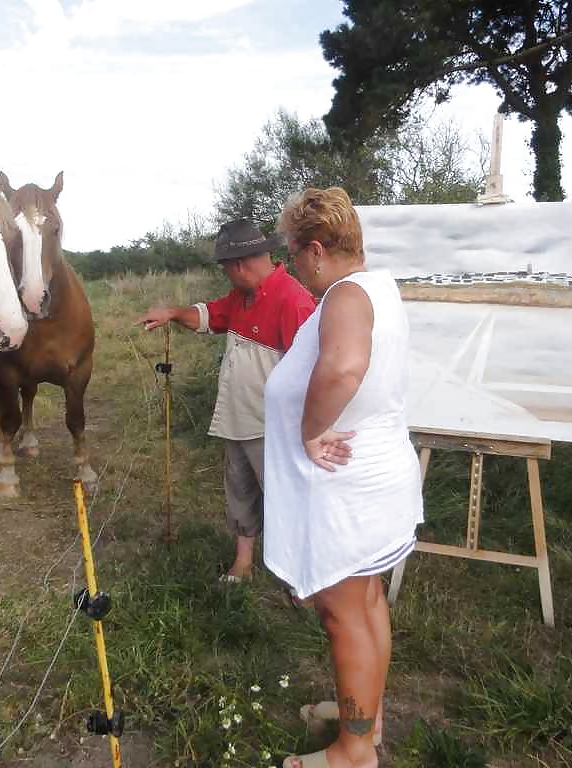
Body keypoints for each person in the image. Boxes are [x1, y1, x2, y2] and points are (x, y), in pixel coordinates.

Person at [262, 187, 423, 768]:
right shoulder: (374, 286)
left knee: (343, 613)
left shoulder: (346, 297)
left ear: (314, 249)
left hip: (347, 489)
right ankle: (367, 716)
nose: (290, 266)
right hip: (371, 480)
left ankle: (353, 751)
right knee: (368, 601)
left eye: (291, 253)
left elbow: (345, 367)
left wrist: (309, 429)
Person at [137, 219, 315, 581]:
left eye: (225, 268)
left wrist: (304, 429)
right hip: (238, 418)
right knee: (240, 490)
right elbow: (207, 315)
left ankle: (302, 577)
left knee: (287, 500)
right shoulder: (240, 297)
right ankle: (244, 563)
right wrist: (173, 313)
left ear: (238, 266)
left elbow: (312, 371)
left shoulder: (292, 300)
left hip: (274, 428)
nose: (226, 276)